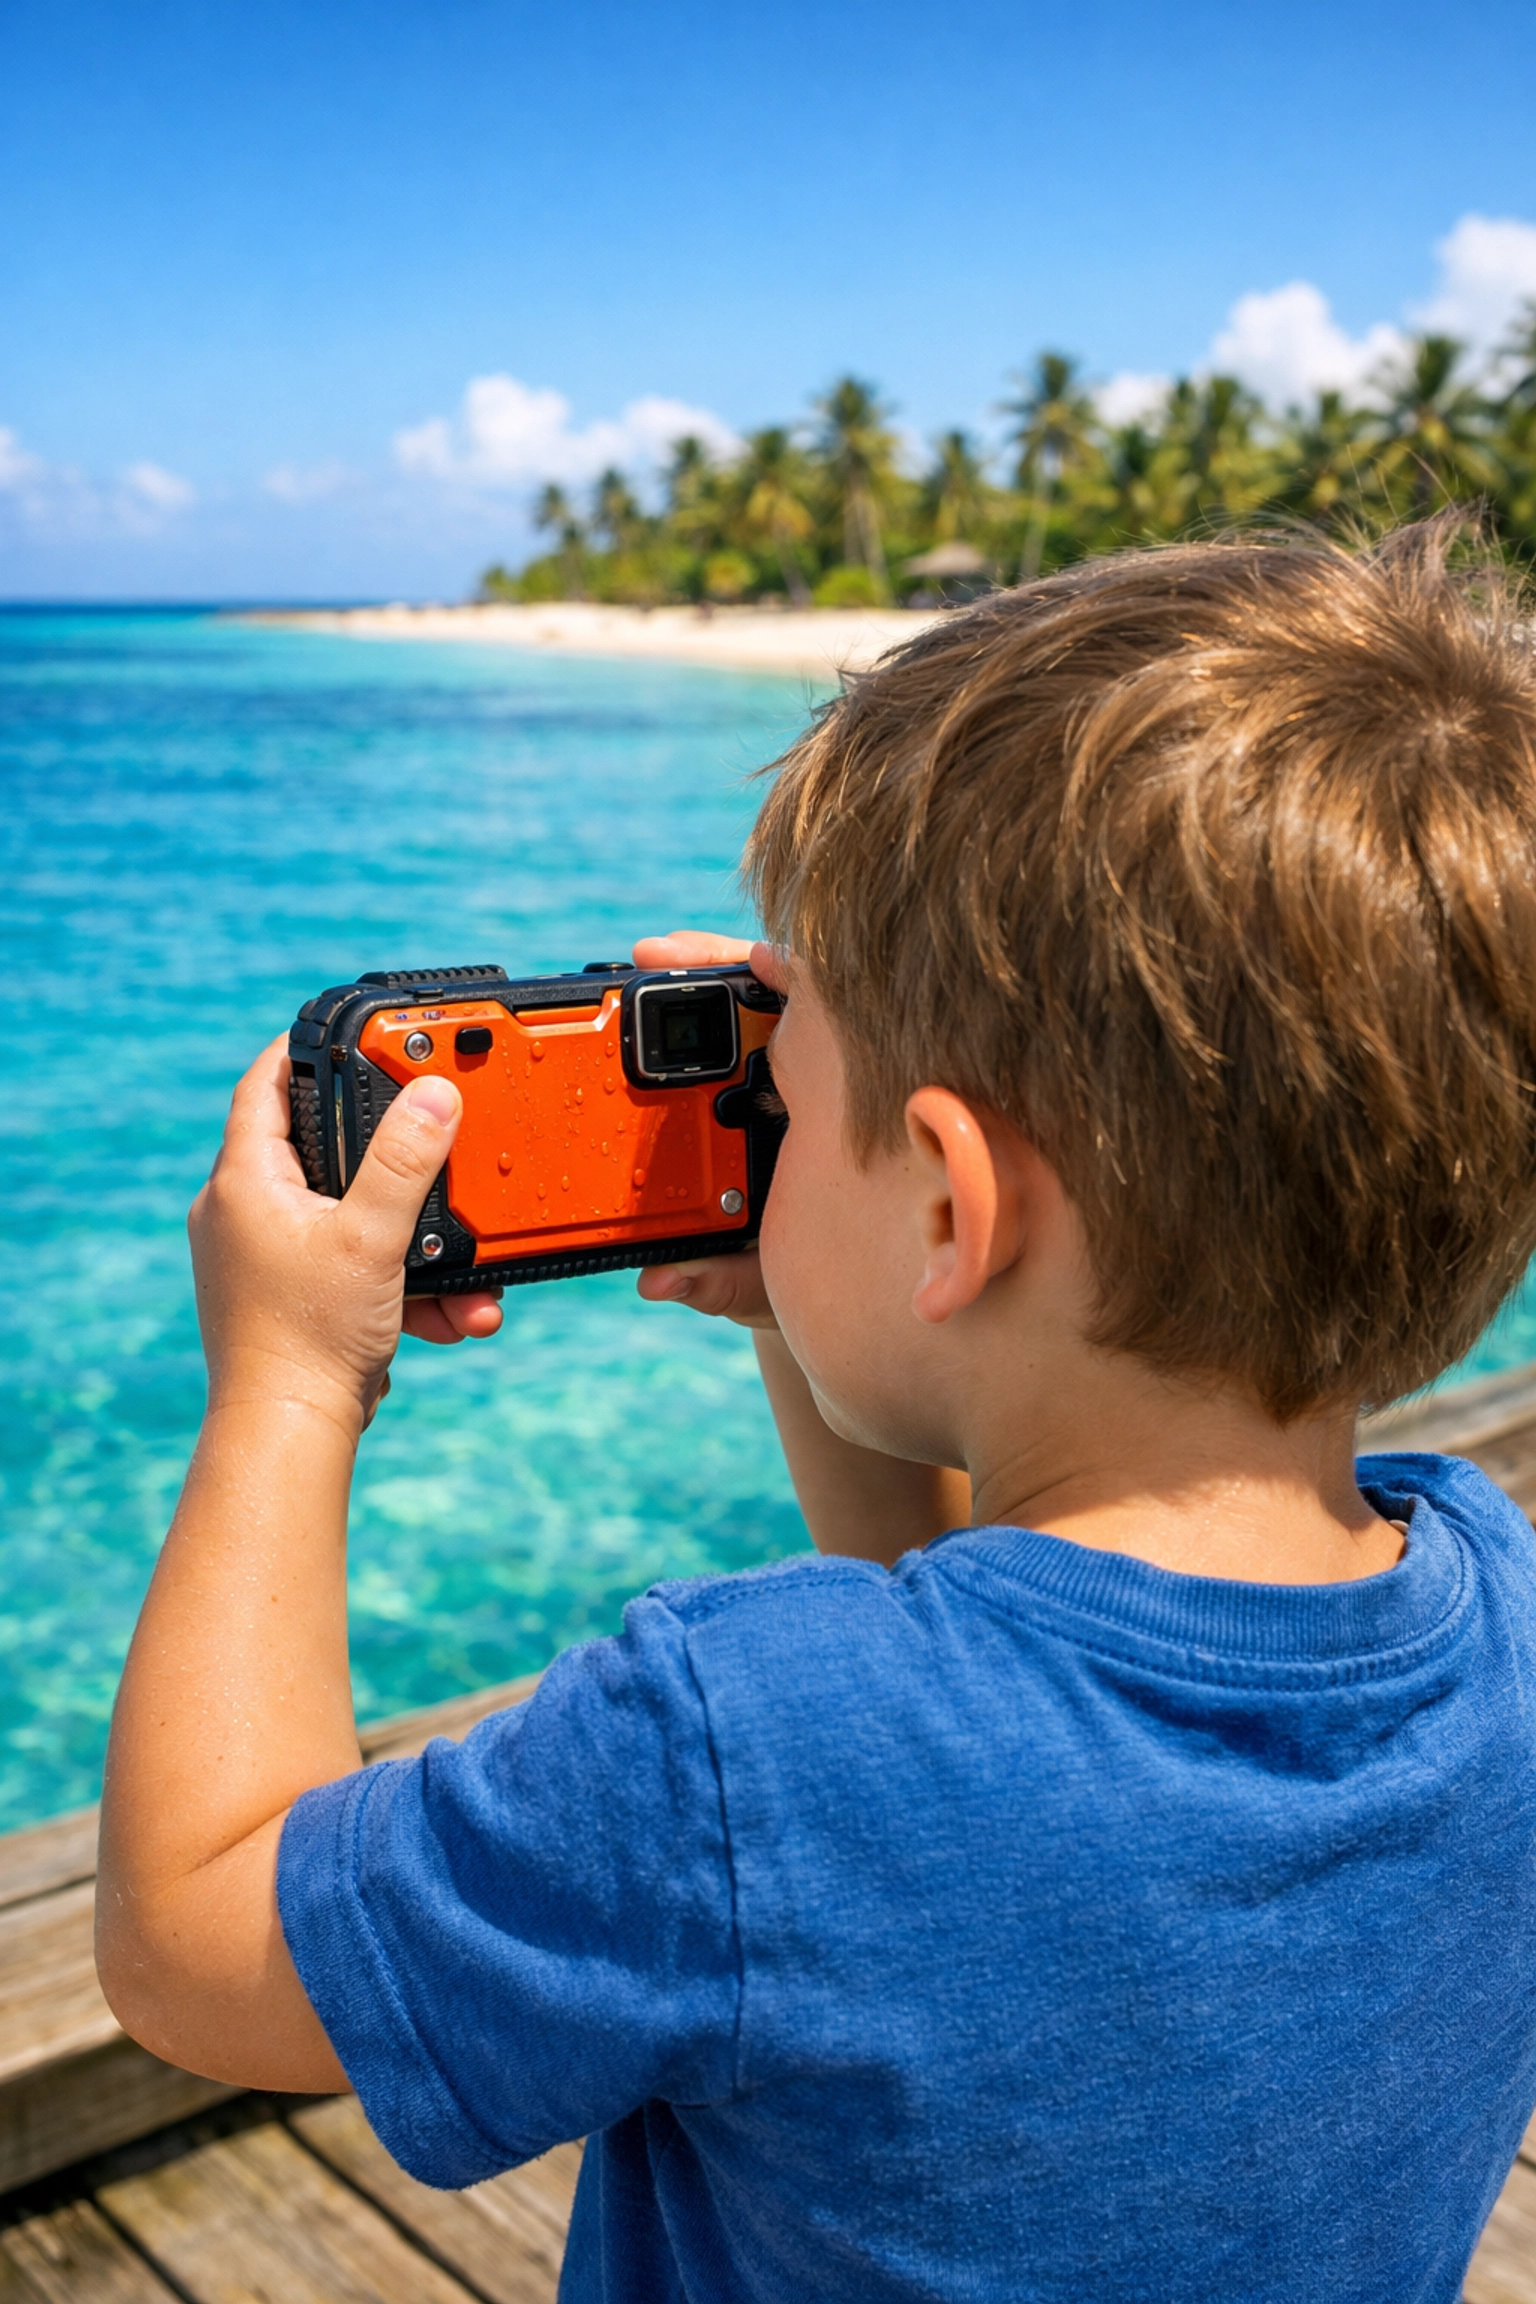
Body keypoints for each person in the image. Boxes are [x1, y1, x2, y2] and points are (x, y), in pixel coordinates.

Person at [96, 521, 1536, 2302]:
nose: (757, 1123)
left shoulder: (724, 1755)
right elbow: (996, 1667)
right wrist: (820, 1297)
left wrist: (291, 1383)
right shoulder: (1493, 1607)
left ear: (953, 1209)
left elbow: (193, 1940)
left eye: (779, 1087)